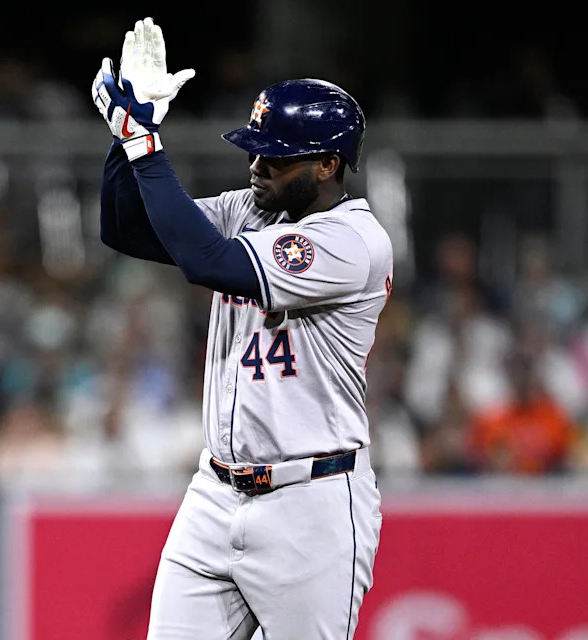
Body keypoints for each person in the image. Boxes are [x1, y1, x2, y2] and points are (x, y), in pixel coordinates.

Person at [91, 18, 392, 639]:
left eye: (277, 157)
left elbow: (211, 263)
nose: (257, 165)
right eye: (254, 149)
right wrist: (128, 136)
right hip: (215, 489)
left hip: (310, 503)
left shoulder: (354, 242)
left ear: (328, 165)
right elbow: (124, 227)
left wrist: (146, 148)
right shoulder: (252, 205)